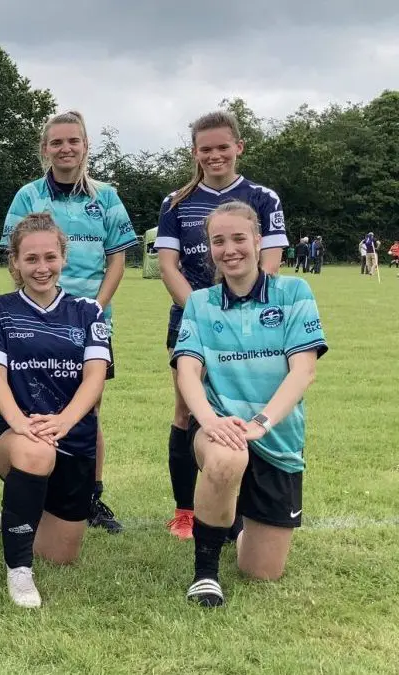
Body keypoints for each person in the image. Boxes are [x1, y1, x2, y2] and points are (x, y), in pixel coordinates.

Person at [173, 201, 327, 607]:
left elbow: (303, 372)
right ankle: (205, 575)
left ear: (258, 241)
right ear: (210, 248)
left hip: (276, 436)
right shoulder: (200, 303)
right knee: (226, 457)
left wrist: (260, 422)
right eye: (218, 241)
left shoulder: (294, 292)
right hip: (219, 427)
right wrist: (209, 420)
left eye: (239, 238)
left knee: (262, 572)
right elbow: (188, 371)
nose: (230, 249)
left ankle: (232, 522)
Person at [0, 110, 137, 534]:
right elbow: (14, 256)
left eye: (73, 141)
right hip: (37, 322)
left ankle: (90, 495)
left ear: (85, 145)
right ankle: (29, 492)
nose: (65, 148)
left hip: (88, 321)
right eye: (56, 142)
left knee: (88, 410)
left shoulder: (106, 197)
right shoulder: (28, 196)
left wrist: (92, 307)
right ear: (46, 148)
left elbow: (118, 256)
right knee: (31, 406)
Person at [155, 110, 287, 540]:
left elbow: (269, 265)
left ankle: (241, 508)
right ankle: (185, 512)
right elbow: (169, 265)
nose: (214, 155)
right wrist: (202, 312)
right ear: (194, 153)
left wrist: (236, 314)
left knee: (244, 411)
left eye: (222, 147)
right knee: (186, 411)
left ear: (238, 147)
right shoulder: (176, 201)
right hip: (192, 322)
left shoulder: (263, 198)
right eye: (205, 149)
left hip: (252, 328)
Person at [0, 212, 111, 608]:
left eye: (50, 257)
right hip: (19, 437)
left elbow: (94, 378)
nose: (41, 267)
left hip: (74, 438)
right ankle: (19, 571)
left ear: (64, 258)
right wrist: (21, 424)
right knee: (35, 452)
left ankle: (21, 511)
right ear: (15, 262)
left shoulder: (89, 311)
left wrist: (63, 421)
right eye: (31, 259)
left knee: (61, 555)